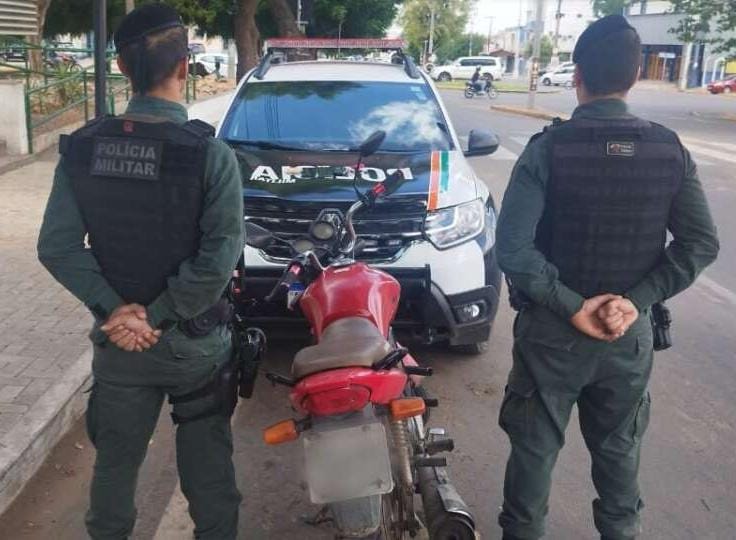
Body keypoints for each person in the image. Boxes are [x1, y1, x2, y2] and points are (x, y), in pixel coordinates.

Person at [495, 15, 719, 540]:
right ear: (635, 77)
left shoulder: (549, 149)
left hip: (552, 336)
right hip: (626, 336)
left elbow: (513, 248)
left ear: (577, 77)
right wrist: (634, 302)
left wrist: (572, 305)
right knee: (619, 455)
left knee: (533, 454)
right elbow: (700, 244)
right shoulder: (669, 150)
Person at [37, 4, 244, 539]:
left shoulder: (81, 150)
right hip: (193, 349)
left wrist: (118, 312)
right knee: (210, 480)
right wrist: (158, 315)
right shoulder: (211, 155)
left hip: (119, 350)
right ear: (183, 68)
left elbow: (57, 247)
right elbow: (218, 262)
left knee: (113, 473)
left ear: (124, 71)